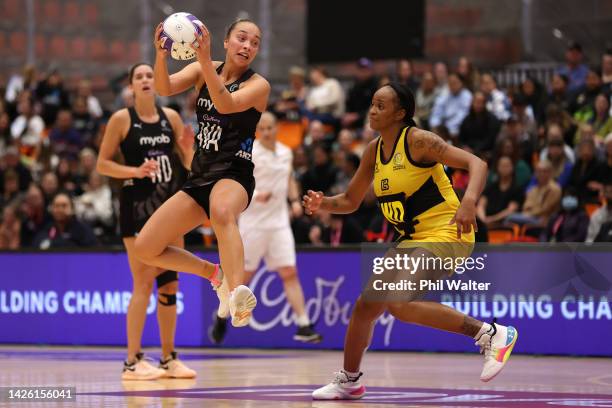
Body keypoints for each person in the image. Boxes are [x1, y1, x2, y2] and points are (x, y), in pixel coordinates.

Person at [307, 83, 517, 400]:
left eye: (380, 105)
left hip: (449, 231)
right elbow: (350, 200)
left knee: (399, 303)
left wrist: (469, 201)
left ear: (400, 113)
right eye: (372, 105)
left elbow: (478, 164)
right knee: (366, 307)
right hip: (412, 238)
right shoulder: (373, 151)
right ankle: (350, 381)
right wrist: (323, 203)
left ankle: (490, 333)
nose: (372, 111)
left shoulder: (419, 141)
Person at [133, 18, 270, 329]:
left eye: (254, 42)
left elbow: (224, 104)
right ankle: (214, 274)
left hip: (234, 173)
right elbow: (163, 87)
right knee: (145, 248)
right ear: (226, 41)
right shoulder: (201, 69)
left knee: (222, 211)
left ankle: (237, 295)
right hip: (200, 175)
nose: (247, 46)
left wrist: (205, 60)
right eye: (241, 38)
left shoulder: (258, 85)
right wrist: (161, 54)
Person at [97, 63, 196, 380]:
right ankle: (132, 361)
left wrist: (190, 149)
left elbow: (189, 164)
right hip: (136, 208)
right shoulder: (122, 119)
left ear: (157, 82)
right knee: (143, 282)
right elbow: (103, 164)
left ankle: (168, 358)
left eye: (149, 75)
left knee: (170, 283)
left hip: (170, 209)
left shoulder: (172, 118)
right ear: (130, 86)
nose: (145, 80)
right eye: (138, 76)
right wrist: (134, 171)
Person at [209, 112, 322, 344]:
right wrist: (257, 195)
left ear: (277, 128)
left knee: (289, 272)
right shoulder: (249, 152)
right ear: (258, 131)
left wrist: (293, 200)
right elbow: (237, 182)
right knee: (242, 277)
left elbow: (289, 179)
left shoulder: (286, 152)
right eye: (263, 129)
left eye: (271, 128)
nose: (267, 132)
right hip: (253, 223)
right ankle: (221, 316)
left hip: (279, 223)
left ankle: (303, 324)